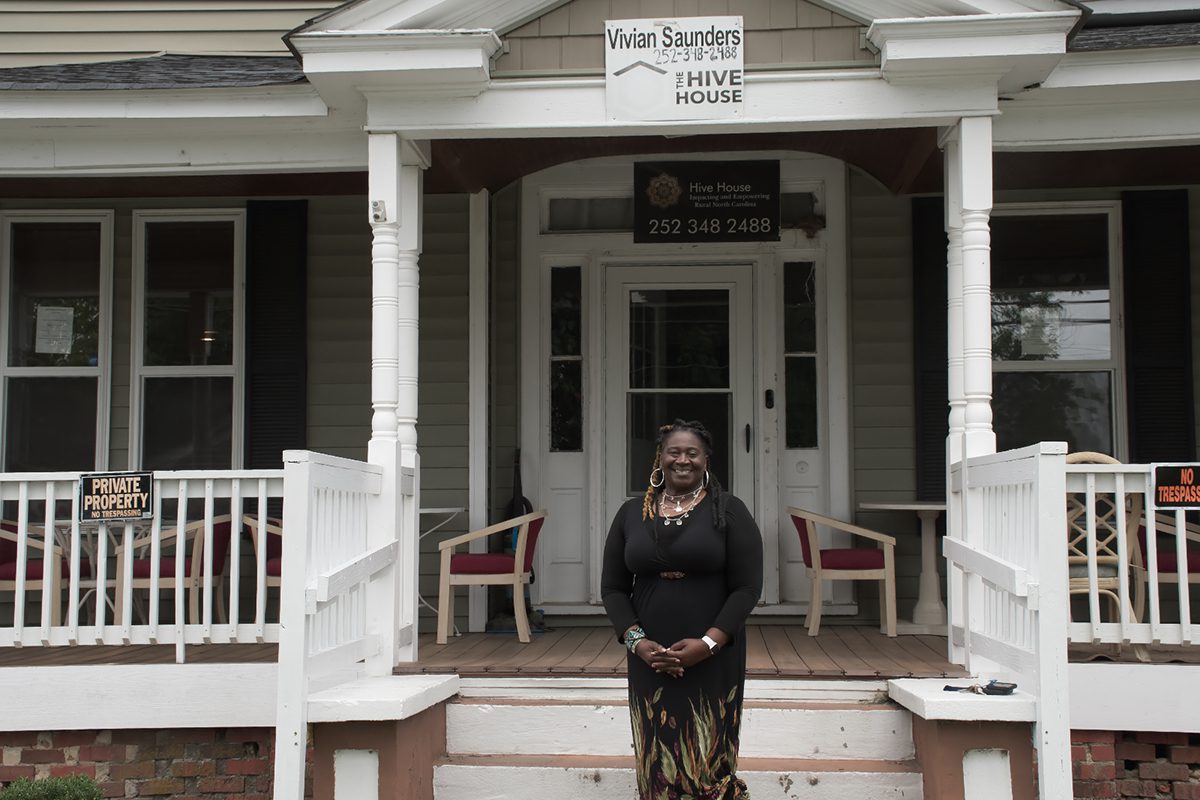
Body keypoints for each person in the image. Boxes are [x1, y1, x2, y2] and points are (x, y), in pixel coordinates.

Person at [601, 419, 763, 800]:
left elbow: (747, 587)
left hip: (713, 655)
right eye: (674, 452)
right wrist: (638, 643)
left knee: (706, 753)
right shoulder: (631, 513)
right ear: (660, 458)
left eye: (692, 453)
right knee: (657, 755)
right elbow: (613, 589)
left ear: (706, 460)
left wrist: (708, 644)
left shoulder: (729, 510)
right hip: (649, 657)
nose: (683, 460)